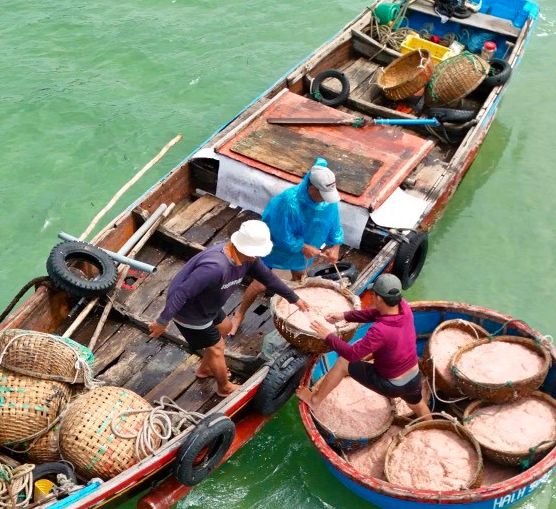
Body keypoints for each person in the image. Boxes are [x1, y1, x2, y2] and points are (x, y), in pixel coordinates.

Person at [149, 220, 310, 397]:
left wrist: (294, 299)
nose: (257, 256)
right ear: (244, 248)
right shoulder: (215, 267)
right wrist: (162, 322)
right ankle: (224, 387)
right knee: (217, 347)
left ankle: (205, 369)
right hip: (191, 313)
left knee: (225, 328)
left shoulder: (248, 259)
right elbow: (181, 293)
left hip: (209, 304)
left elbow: (268, 278)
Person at [227, 159, 344, 337]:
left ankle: (300, 313)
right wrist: (302, 246)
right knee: (260, 284)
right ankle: (239, 313)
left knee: (300, 279)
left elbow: (335, 225)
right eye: (322, 195)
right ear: (312, 188)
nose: (326, 200)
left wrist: (335, 246)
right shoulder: (287, 202)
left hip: (307, 247)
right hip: (277, 247)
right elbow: (280, 233)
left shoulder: (328, 200)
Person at [297, 273, 430, 419]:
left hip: (392, 385)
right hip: (414, 377)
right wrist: (345, 315)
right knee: (417, 404)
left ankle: (314, 400)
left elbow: (352, 354)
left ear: (378, 298)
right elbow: (375, 313)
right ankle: (430, 425)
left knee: (343, 362)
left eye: (374, 295)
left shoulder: (379, 330)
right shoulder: (403, 307)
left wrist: (328, 335)